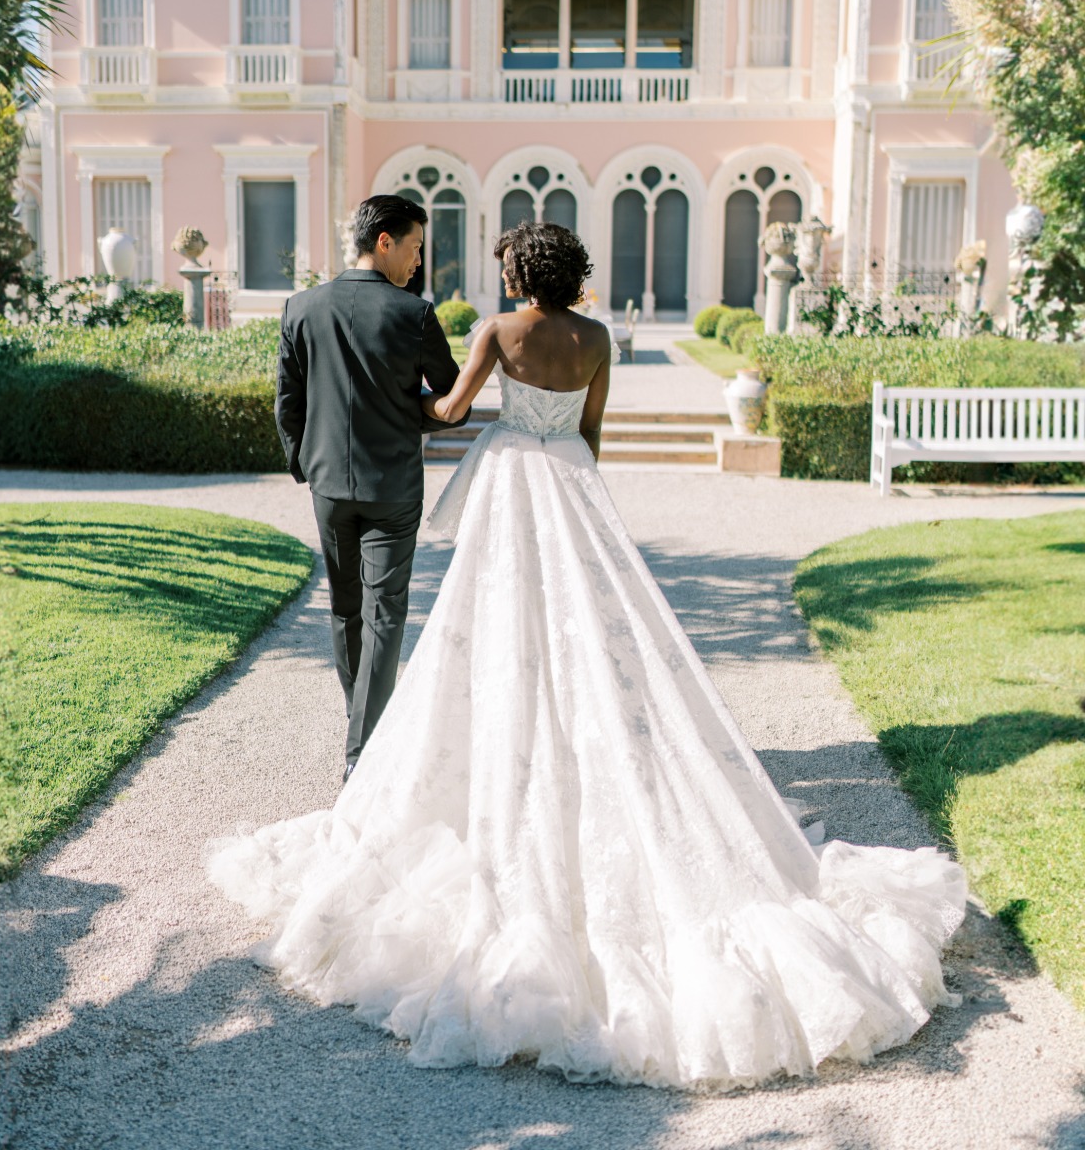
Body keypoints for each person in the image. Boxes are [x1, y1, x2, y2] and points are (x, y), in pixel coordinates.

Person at [209, 222, 966, 1090]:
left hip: (510, 480)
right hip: (570, 475)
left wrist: (398, 406)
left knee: (490, 623)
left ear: (520, 273)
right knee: (593, 627)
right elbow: (593, 429)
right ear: (574, 274)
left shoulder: (499, 331)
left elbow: (452, 410)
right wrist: (572, 478)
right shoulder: (599, 337)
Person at [273, 193, 467, 782]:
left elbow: (289, 401)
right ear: (384, 242)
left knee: (345, 610)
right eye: (413, 247)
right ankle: (363, 753)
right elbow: (451, 402)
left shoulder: (300, 307)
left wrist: (304, 464)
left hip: (328, 483)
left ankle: (361, 728)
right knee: (385, 615)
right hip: (393, 487)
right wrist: (415, 406)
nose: (417, 262)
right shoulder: (416, 314)